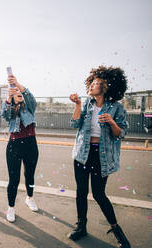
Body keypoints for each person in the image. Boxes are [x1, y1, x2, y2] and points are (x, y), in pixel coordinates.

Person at [68, 66, 130, 248]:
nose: (91, 85)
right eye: (92, 82)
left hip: (100, 156)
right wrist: (78, 105)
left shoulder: (116, 108)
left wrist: (111, 122)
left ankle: (117, 231)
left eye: (96, 83)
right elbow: (74, 124)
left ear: (104, 87)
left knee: (99, 194)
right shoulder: (86, 104)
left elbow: (121, 134)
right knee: (81, 192)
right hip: (82, 154)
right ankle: (81, 226)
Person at [1, 74, 39, 222]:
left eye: (20, 93)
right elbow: (4, 115)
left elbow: (31, 98)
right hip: (14, 145)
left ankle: (30, 198)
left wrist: (18, 85)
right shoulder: (10, 109)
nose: (19, 95)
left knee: (29, 175)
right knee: (14, 179)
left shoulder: (29, 107)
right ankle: (11, 207)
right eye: (15, 94)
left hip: (30, 144)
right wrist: (7, 100)